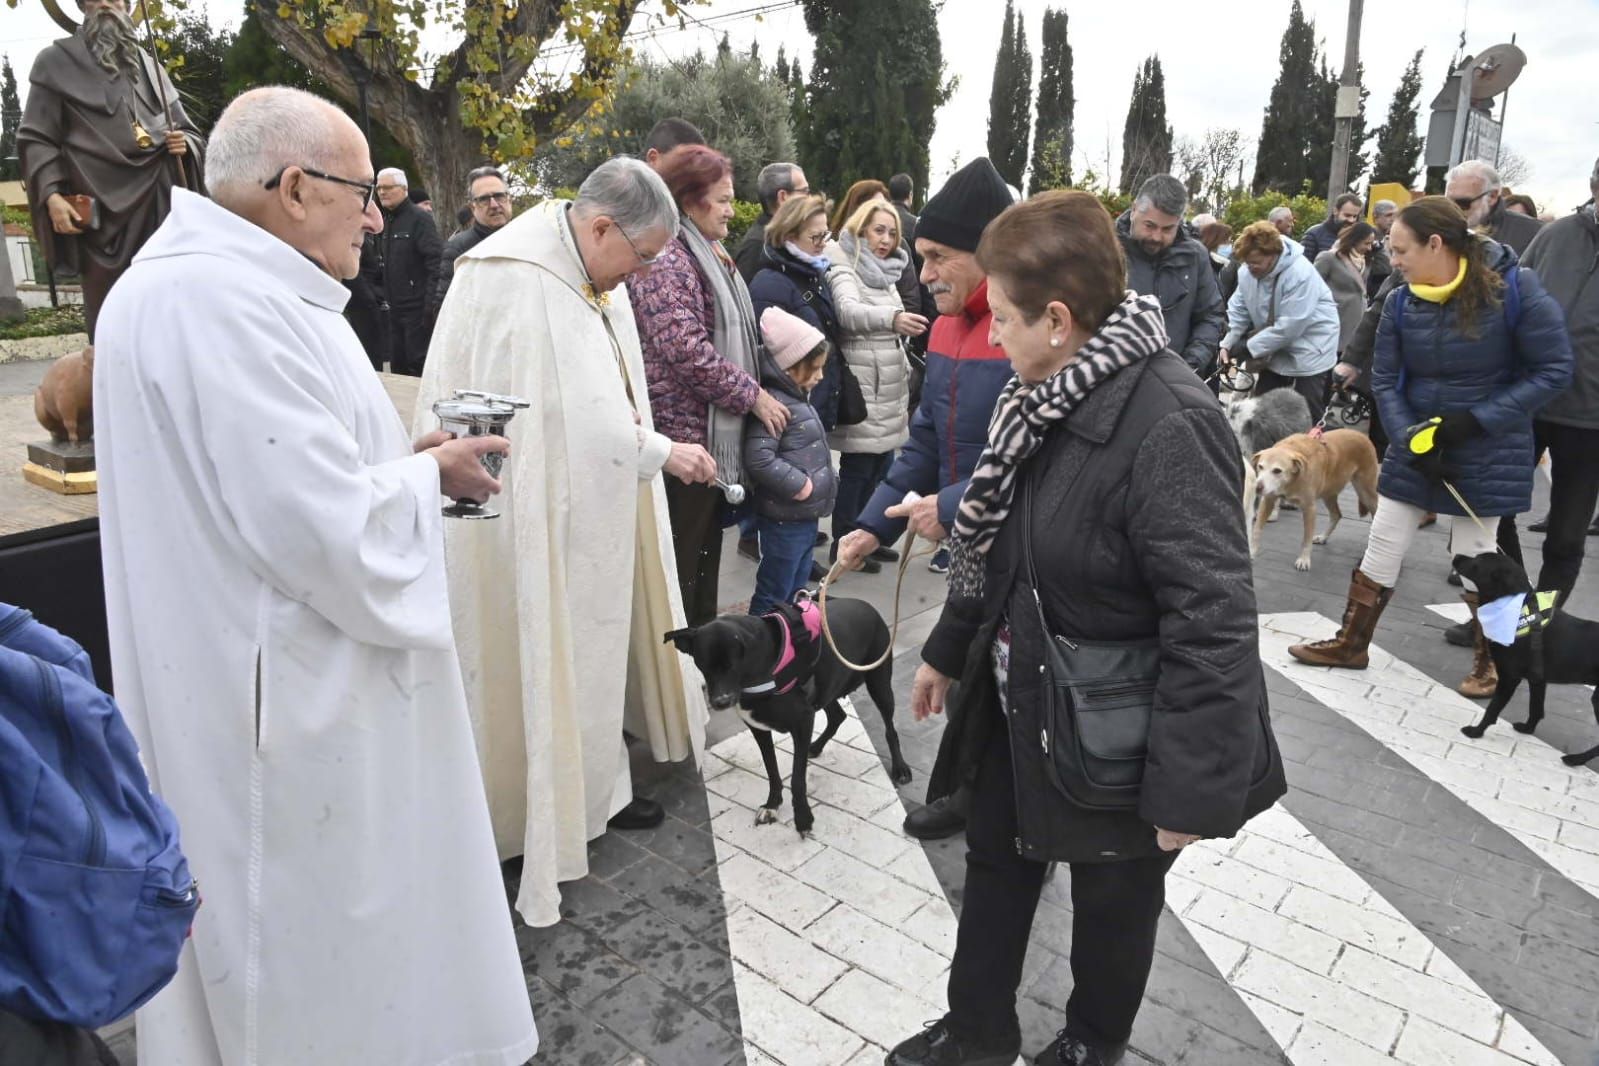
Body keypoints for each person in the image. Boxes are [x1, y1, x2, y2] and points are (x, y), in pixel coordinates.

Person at [93, 86, 537, 1066]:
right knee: (319, 975)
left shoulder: (200, 287)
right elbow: (317, 531)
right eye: (359, 194)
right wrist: (427, 480)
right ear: (294, 188)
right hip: (290, 718)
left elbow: (279, 483)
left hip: (247, 682)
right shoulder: (225, 302)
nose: (376, 218)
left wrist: (397, 464)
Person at [884, 189, 1285, 1066]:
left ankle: (1089, 1046)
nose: (993, 335)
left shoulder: (1171, 422)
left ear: (1059, 319)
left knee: (1113, 905)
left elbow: (1212, 619)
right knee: (994, 860)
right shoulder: (1041, 394)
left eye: (1009, 317)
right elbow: (1002, 545)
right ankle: (978, 1028)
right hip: (1018, 690)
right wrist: (949, 648)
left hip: (1120, 727)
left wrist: (1187, 791)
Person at [416, 155, 712, 927]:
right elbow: (563, 419)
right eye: (642, 258)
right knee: (532, 650)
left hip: (590, 509)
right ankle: (519, 818)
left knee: (585, 649)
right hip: (518, 513)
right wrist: (661, 453)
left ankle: (594, 796)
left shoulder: (590, 270)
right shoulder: (513, 276)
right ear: (602, 226)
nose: (640, 276)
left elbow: (601, 398)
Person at [1288, 197, 1572, 698]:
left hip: (1487, 445)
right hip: (1419, 445)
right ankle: (1352, 643)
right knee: (1384, 536)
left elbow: (1552, 369)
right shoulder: (1401, 298)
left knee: (1475, 551)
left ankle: (1493, 661)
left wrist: (1474, 422)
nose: (1390, 259)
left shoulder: (1516, 291)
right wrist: (1407, 437)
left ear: (1435, 244)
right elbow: (1387, 377)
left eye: (1400, 250)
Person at [835, 157, 1015, 841]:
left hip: (1012, 536)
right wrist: (868, 526)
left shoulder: (1022, 326)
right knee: (971, 674)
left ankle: (1019, 814)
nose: (925, 272)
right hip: (967, 538)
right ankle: (971, 798)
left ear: (989, 253)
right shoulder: (941, 328)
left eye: (939, 257)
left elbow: (1037, 451)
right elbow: (922, 443)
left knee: (1005, 679)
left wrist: (951, 503)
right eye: (921, 256)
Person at [632, 144, 790, 625]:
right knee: (682, 567)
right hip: (682, 441)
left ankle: (700, 660)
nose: (730, 209)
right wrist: (752, 394)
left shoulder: (708, 252)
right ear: (690, 199)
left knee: (701, 562)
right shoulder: (669, 257)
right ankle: (681, 667)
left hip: (704, 438)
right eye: (722, 199)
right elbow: (686, 349)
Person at [18, 0, 204, 340]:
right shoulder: (55, 62)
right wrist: (52, 195)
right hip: (102, 211)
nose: (105, 2)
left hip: (158, 204)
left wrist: (185, 144)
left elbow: (188, 131)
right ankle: (113, 382)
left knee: (166, 305)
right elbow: (36, 137)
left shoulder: (150, 66)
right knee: (111, 317)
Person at [1506, 159, 1599, 607]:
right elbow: (1509, 301)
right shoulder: (1557, 235)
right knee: (1490, 515)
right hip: (1526, 402)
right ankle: (1497, 620)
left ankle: (1535, 630)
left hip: (1591, 419)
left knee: (1564, 537)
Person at [825, 199, 928, 558]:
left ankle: (868, 533)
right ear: (861, 229)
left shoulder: (884, 271)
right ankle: (844, 540)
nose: (886, 239)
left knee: (881, 465)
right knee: (858, 469)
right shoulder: (843, 266)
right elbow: (848, 312)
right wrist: (893, 319)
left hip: (887, 382)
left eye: (892, 232)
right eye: (878, 230)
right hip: (865, 383)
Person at [745, 308, 839, 615]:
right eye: (813, 369)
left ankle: (791, 638)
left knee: (797, 586)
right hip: (785, 517)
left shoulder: (796, 398)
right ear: (789, 367)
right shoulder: (776, 403)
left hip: (804, 515)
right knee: (775, 589)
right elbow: (758, 457)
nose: (820, 377)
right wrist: (801, 485)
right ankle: (761, 644)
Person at [1219, 220, 1340, 415]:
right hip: (1273, 346)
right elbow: (1238, 309)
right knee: (1262, 408)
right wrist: (1227, 343)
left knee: (1307, 410)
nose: (1251, 267)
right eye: (1247, 263)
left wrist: (1247, 347)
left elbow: (1291, 326)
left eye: (1256, 263)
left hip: (1312, 345)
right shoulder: (1246, 273)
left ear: (1273, 255)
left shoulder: (1299, 273)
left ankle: (1310, 443)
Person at [749, 193, 846, 432]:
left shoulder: (814, 274)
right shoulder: (770, 284)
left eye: (826, 234)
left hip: (812, 405)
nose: (823, 243)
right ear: (788, 235)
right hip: (790, 416)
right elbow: (766, 360)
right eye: (816, 236)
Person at [1115, 174, 1225, 375]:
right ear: (1134, 210)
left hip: (1176, 379)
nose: (1156, 237)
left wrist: (1191, 365)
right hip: (1112, 378)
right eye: (1149, 226)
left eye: (1167, 229)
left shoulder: (1196, 256)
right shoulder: (1106, 250)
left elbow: (1211, 315)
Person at [373, 167, 443, 375]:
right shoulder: (387, 221)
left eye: (388, 187)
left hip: (417, 310)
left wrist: (429, 306)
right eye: (378, 188)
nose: (382, 192)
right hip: (394, 310)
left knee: (418, 366)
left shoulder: (419, 219)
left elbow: (435, 262)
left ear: (403, 189)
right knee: (397, 368)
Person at [432, 165, 514, 315]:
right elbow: (443, 309)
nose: (494, 205)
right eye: (484, 199)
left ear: (509, 199)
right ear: (472, 206)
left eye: (499, 196)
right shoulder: (458, 249)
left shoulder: (527, 240)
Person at [1315, 220, 1377, 387]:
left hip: (1356, 321)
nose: (1369, 247)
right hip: (1336, 320)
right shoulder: (1328, 258)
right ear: (1355, 239)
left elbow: (1384, 268)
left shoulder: (1365, 260)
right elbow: (1312, 288)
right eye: (1366, 243)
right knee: (1328, 368)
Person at [733, 161, 810, 283]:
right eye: (805, 192)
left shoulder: (785, 238)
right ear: (783, 197)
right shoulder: (757, 248)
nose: (809, 199)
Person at [1447, 159, 1544, 255]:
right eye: (1447, 202)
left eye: (1463, 203)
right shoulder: (1442, 228)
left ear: (1492, 196)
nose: (1454, 209)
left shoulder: (1534, 234)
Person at [1300, 192, 1363, 261]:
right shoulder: (1314, 234)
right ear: (1335, 211)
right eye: (1347, 215)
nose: (1351, 220)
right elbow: (1303, 266)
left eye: (1355, 216)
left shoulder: (1359, 237)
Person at [1367, 198, 1398, 299]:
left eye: (1395, 215)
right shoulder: (1367, 235)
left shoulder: (1397, 237)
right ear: (1376, 218)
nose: (1393, 219)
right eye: (1388, 215)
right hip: (1372, 288)